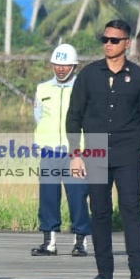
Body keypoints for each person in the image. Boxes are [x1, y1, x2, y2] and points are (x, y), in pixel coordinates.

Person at [66, 19, 140, 279]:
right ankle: (104, 272)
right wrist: (75, 153)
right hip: (94, 150)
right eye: (105, 39)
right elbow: (74, 117)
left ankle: (138, 270)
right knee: (101, 211)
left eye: (114, 40)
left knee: (131, 208)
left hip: (129, 150)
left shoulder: (139, 77)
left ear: (127, 43)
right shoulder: (88, 75)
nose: (108, 44)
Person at [31, 43, 91, 256]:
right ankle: (49, 242)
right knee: (48, 196)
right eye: (57, 64)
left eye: (66, 65)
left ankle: (81, 241)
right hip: (49, 151)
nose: (61, 69)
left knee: (77, 196)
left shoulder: (83, 88)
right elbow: (38, 116)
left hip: (75, 153)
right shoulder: (43, 89)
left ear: (74, 66)